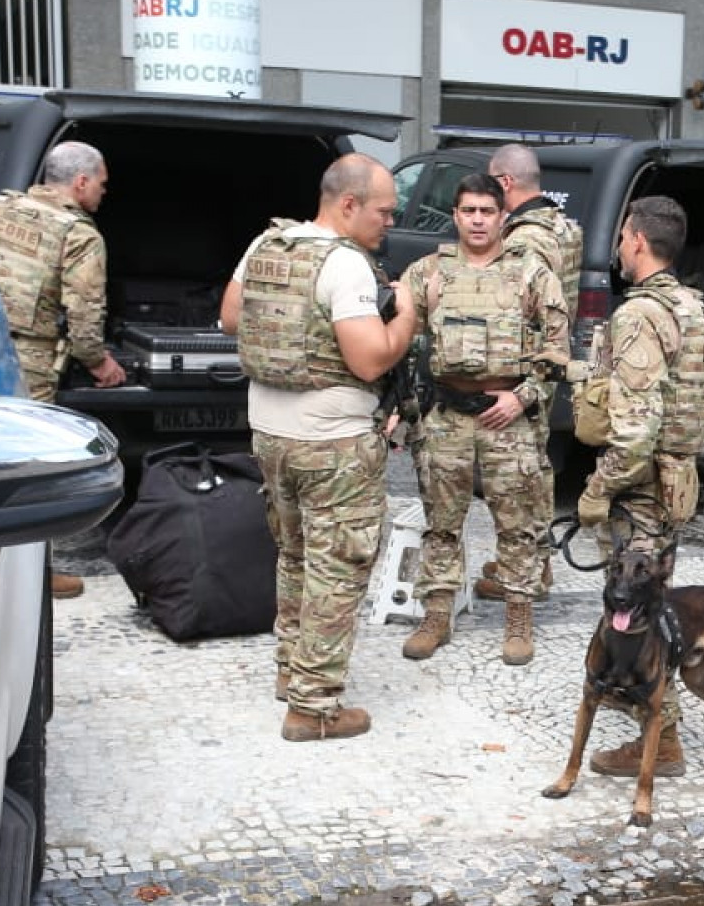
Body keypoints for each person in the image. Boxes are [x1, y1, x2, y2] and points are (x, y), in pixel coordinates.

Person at [219, 153, 417, 743]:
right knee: (341, 566)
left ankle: (291, 672)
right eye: (384, 211)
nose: (390, 221)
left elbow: (231, 317)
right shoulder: (346, 265)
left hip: (271, 434)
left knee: (298, 556)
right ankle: (314, 706)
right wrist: (405, 315)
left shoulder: (267, 245)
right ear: (348, 204)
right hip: (332, 442)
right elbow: (371, 357)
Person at [571, 195, 704, 779]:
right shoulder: (695, 309)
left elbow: (634, 432)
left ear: (635, 239)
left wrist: (595, 491)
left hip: (640, 489)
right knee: (651, 598)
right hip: (676, 479)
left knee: (638, 611)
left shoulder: (641, 314)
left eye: (621, 236)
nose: (617, 245)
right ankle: (626, 693)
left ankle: (662, 742)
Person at [397, 172, 569, 667]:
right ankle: (437, 613)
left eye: (487, 211)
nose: (477, 220)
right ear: (455, 215)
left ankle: (518, 615)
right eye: (468, 210)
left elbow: (557, 349)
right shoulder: (428, 271)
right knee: (441, 523)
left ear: (502, 217)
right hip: (447, 414)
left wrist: (524, 397)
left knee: (516, 523)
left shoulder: (531, 273)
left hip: (506, 416)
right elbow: (402, 343)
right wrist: (407, 411)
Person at [0, 140, 129, 600]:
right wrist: (100, 364)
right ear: (81, 182)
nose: (103, 193)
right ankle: (31, 579)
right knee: (30, 472)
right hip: (31, 363)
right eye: (101, 183)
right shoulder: (79, 234)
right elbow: (83, 317)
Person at [477, 143, 582, 604]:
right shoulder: (564, 226)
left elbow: (519, 317)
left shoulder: (523, 240)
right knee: (535, 471)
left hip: (520, 377)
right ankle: (534, 565)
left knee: (514, 479)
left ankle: (521, 574)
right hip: (546, 369)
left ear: (504, 183)